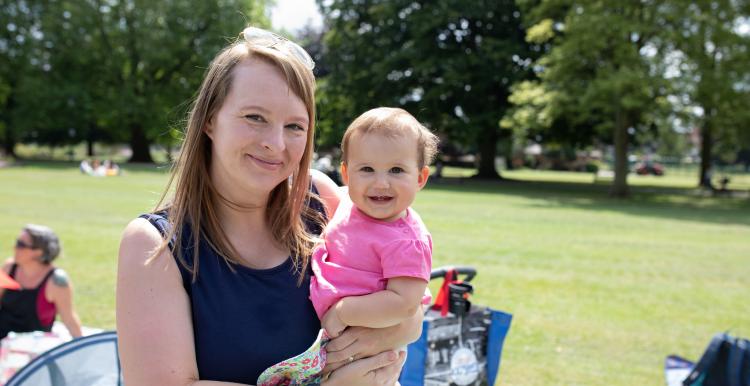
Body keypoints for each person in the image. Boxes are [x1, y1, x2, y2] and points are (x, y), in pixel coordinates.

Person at [117, 26, 422, 386]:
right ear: (211, 119)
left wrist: (386, 335)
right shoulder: (154, 245)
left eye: (295, 126)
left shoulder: (323, 202)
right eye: (255, 117)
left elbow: (411, 312)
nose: (275, 144)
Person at [311, 107, 437, 344]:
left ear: (420, 178)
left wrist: (343, 312)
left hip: (362, 341)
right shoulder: (348, 202)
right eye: (367, 169)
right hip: (327, 333)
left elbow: (404, 304)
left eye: (396, 170)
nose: (381, 183)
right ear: (347, 175)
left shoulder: (406, 241)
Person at [0, 224, 82, 340]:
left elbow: (69, 319)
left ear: (38, 252)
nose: (15, 247)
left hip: (34, 348)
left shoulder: (56, 281)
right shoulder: (9, 267)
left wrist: (81, 347)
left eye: (21, 245)